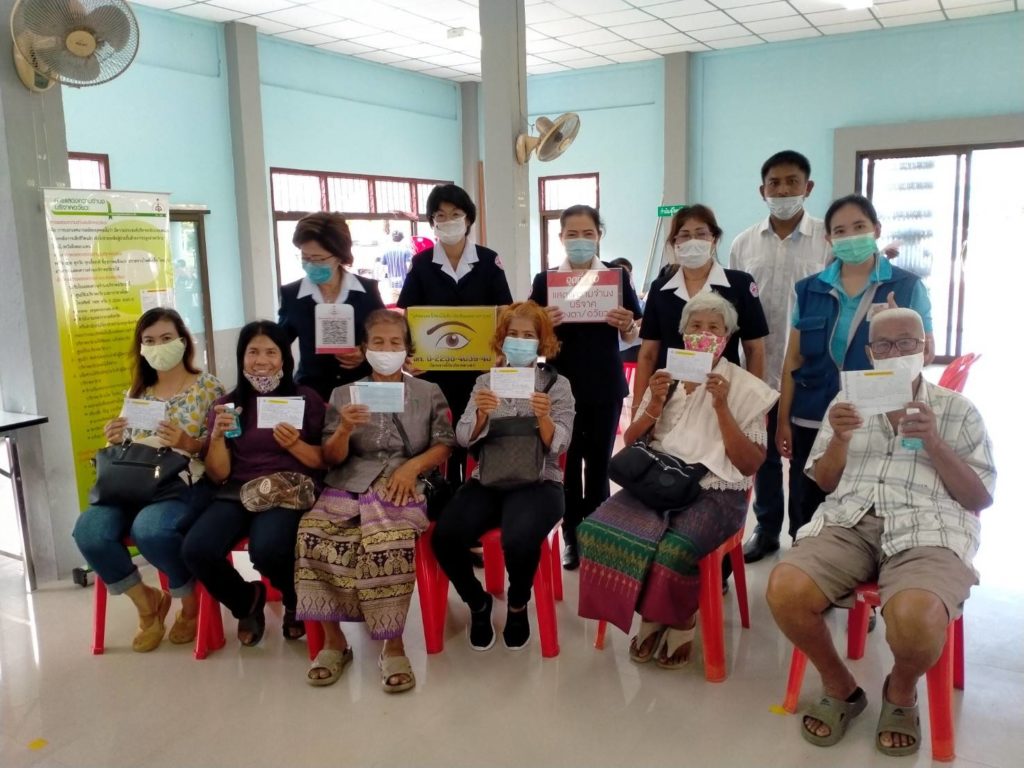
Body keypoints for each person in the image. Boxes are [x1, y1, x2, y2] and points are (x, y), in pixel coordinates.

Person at [766, 307, 994, 757]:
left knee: (917, 621)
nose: (895, 352)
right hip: (849, 520)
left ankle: (901, 689)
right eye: (884, 345)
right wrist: (839, 439)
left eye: (907, 343)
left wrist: (934, 442)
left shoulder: (957, 409)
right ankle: (840, 685)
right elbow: (825, 482)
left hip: (930, 526)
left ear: (926, 348)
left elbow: (979, 497)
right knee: (785, 590)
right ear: (870, 354)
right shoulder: (849, 403)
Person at [578, 292, 776, 667]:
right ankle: (651, 615)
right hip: (658, 477)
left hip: (716, 487)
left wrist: (722, 408)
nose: (704, 334)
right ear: (684, 334)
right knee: (596, 530)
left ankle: (679, 619)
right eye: (696, 326)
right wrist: (653, 404)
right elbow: (632, 442)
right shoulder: (667, 377)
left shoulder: (746, 387)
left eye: (714, 328)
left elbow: (749, 464)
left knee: (674, 550)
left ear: (727, 337)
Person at [294, 310, 454, 691]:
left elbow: (445, 443)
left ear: (407, 348)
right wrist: (344, 429)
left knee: (387, 541)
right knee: (313, 533)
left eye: (395, 342)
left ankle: (393, 645)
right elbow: (331, 457)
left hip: (404, 484)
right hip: (350, 481)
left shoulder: (427, 392)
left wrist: (413, 467)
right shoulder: (343, 395)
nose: (386, 349)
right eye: (378, 342)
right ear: (365, 348)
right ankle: (334, 641)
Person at [777, 194, 935, 539]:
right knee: (806, 505)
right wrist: (783, 420)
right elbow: (793, 358)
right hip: (812, 414)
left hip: (874, 417)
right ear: (828, 238)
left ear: (876, 229)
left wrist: (896, 325)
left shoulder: (907, 286)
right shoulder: (809, 289)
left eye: (859, 226)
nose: (850, 236)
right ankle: (805, 560)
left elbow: (926, 353)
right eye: (840, 231)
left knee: (863, 503)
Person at [73, 309, 224, 652]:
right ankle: (147, 603)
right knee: (88, 531)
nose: (158, 347)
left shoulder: (209, 387)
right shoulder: (138, 390)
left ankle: (189, 602)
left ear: (183, 341)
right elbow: (126, 444)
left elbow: (221, 450)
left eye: (166, 338)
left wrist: (188, 442)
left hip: (182, 482)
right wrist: (113, 437)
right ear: (141, 348)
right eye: (149, 341)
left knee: (151, 530)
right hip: (131, 484)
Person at [431, 301, 575, 651]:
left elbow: (561, 444)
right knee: (445, 536)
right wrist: (481, 415)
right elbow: (462, 438)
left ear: (541, 341)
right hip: (489, 478)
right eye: (513, 334)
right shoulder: (485, 381)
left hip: (540, 480)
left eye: (528, 335)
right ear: (502, 339)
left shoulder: (557, 385)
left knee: (519, 538)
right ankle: (477, 603)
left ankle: (517, 604)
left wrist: (543, 417)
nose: (520, 341)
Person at [182, 321, 326, 647]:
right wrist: (216, 437)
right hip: (238, 491)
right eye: (253, 352)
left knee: (269, 549)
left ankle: (293, 599)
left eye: (271, 352)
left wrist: (294, 445)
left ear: (285, 358)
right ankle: (246, 600)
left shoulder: (305, 398)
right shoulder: (227, 405)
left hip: (288, 490)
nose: (261, 360)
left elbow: (325, 460)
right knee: (196, 549)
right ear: (241, 357)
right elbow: (218, 474)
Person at [729, 150, 831, 564]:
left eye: (792, 182)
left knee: (808, 458)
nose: (783, 190)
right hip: (759, 367)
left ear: (808, 187)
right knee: (765, 455)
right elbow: (734, 308)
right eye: (775, 183)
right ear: (762, 190)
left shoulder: (827, 239)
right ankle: (767, 528)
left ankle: (806, 535)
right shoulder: (743, 244)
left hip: (811, 371)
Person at [527, 205, 642, 570]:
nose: (580, 241)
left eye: (587, 233)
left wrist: (626, 324)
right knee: (566, 464)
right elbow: (528, 336)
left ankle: (598, 536)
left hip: (605, 385)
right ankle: (572, 538)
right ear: (561, 237)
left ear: (599, 236)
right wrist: (542, 323)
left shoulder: (615, 278)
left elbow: (634, 332)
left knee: (599, 465)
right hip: (559, 388)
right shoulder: (545, 281)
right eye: (572, 234)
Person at [397, 183, 513, 483]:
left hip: (480, 371)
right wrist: (408, 356)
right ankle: (443, 494)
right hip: (435, 372)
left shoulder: (488, 261)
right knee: (440, 438)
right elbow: (408, 316)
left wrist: (502, 352)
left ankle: (474, 493)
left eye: (456, 214)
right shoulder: (421, 263)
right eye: (440, 215)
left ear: (468, 218)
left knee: (476, 435)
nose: (448, 221)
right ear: (432, 222)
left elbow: (505, 313)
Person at [634, 204, 768, 417]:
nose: (693, 241)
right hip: (668, 397)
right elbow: (648, 354)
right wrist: (638, 406)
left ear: (714, 239)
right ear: (675, 243)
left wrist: (754, 406)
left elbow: (755, 350)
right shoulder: (660, 289)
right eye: (685, 235)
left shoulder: (740, 284)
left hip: (722, 396)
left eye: (701, 234)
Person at [278, 212, 386, 401]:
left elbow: (385, 336)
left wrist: (365, 352)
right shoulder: (292, 294)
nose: (311, 264)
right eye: (305, 257)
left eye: (319, 259)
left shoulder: (367, 291)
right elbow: (279, 341)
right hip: (311, 395)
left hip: (361, 393)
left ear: (339, 256)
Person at [608, 257, 644, 363]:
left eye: (627, 273)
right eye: (620, 273)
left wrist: (631, 325)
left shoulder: (636, 300)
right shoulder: (607, 296)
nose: (624, 277)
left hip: (631, 346)